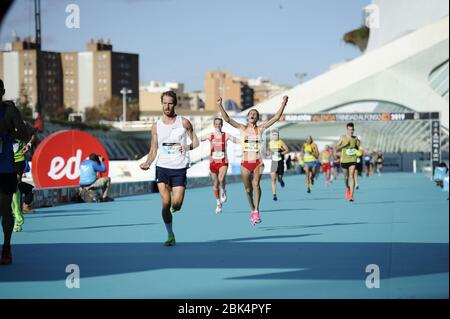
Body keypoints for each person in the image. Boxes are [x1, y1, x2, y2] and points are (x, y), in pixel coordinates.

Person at [217, 95, 289, 225]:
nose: (252, 115)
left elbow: (276, 117)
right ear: (247, 117)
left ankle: (257, 210)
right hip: (245, 163)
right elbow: (227, 119)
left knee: (256, 184)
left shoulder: (260, 128)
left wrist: (283, 103)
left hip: (257, 161)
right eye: (250, 113)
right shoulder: (242, 128)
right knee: (248, 189)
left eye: (254, 114)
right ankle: (252, 210)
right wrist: (220, 105)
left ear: (257, 118)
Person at [140, 91, 199, 246]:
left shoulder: (184, 122)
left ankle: (174, 208)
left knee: (176, 204)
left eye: (170, 103)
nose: (167, 106)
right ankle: (170, 234)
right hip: (162, 167)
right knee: (166, 202)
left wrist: (187, 146)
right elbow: (153, 149)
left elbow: (196, 142)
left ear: (175, 104)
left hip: (179, 168)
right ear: (162, 104)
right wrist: (148, 162)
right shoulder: (156, 126)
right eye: (164, 103)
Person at [0, 79, 29, 265]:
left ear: (2, 91)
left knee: (5, 210)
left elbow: (24, 135)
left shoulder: (10, 111)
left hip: (5, 169)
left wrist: (8, 135)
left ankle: (7, 248)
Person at [200, 117, 239, 214]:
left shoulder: (226, 136)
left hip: (223, 162)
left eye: (219, 124)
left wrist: (247, 141)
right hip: (213, 163)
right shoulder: (210, 135)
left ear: (222, 125)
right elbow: (198, 139)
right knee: (215, 184)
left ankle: (224, 190)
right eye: (216, 124)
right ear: (214, 125)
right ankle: (218, 204)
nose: (218, 125)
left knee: (221, 179)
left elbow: (236, 140)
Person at [11, 121, 36, 231]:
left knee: (15, 185)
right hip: (6, 162)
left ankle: (17, 214)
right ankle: (15, 212)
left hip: (19, 161)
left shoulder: (23, 125)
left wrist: (29, 144)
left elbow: (33, 134)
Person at [335, 122, 358, 202]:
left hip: (352, 159)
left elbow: (357, 149)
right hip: (344, 160)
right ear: (347, 130)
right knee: (346, 177)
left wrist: (358, 146)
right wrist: (343, 145)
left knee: (351, 175)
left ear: (354, 130)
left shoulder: (355, 138)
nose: (351, 131)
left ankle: (351, 195)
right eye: (349, 130)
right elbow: (336, 147)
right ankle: (347, 187)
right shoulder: (342, 137)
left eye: (352, 130)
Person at [267, 129, 289, 201]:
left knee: (279, 178)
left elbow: (287, 150)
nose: (275, 136)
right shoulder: (270, 143)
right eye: (273, 135)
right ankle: (274, 194)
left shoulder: (281, 142)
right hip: (274, 162)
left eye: (276, 135)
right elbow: (268, 152)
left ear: (278, 135)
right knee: (273, 179)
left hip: (280, 161)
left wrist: (281, 153)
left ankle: (281, 180)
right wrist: (269, 154)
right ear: (272, 136)